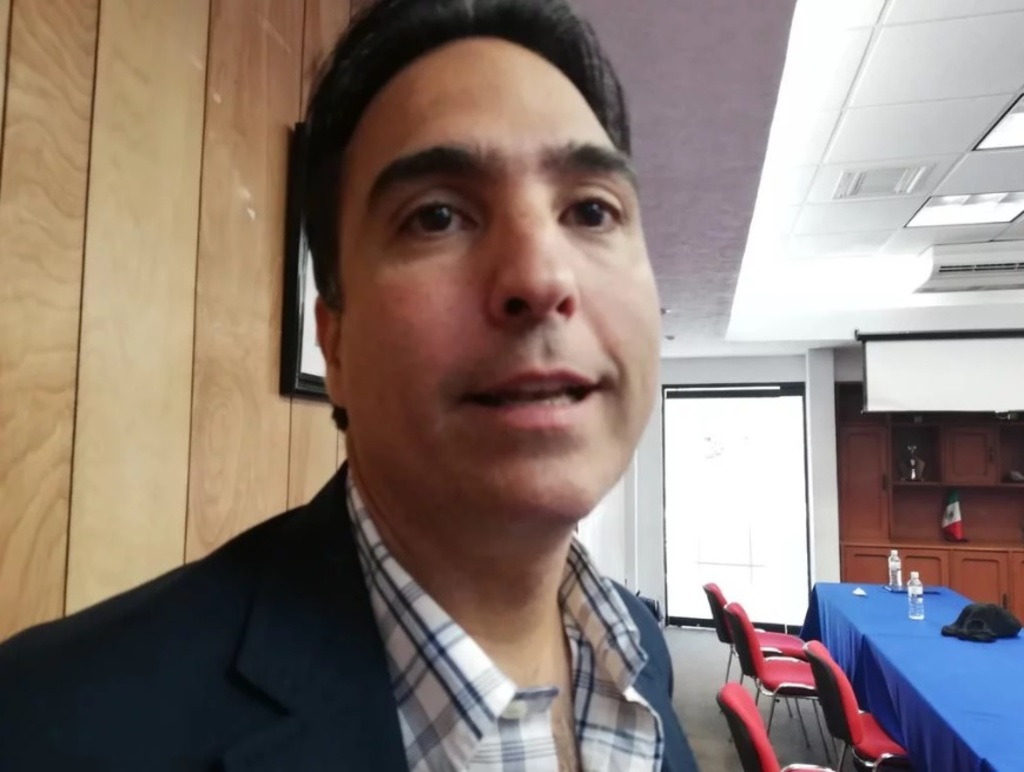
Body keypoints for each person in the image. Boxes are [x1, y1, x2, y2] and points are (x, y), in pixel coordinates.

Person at [0, 0, 698, 769]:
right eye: (436, 217)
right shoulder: (41, 725)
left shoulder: (639, 650)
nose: (541, 278)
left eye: (592, 210)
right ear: (333, 341)